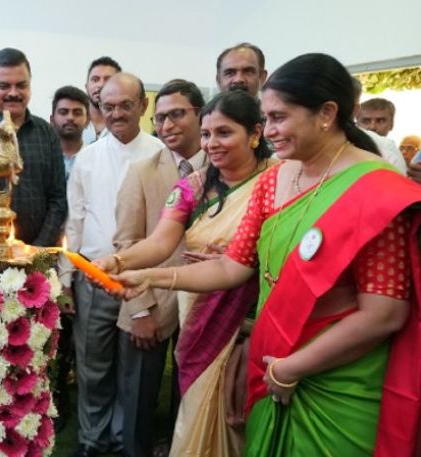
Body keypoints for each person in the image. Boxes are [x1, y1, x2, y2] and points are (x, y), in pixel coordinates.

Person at [111, 53, 421, 457]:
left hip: (340, 380)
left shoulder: (379, 191)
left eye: (279, 118)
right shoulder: (275, 178)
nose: (269, 131)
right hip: (273, 362)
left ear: (327, 113)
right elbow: (230, 266)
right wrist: (150, 277)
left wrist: (294, 368)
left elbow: (384, 313)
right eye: (267, 118)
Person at [99, 89, 274, 457]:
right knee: (197, 405)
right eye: (208, 134)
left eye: (224, 133)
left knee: (244, 414)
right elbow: (160, 243)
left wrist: (241, 252)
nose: (212, 144)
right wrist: (121, 262)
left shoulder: (279, 182)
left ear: (255, 133)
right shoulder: (192, 186)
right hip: (199, 311)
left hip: (254, 318)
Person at [64, 72, 165, 457]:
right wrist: (65, 277)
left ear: (143, 106)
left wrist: (151, 297)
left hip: (143, 279)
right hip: (92, 276)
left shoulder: (161, 155)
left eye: (126, 105)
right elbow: (75, 219)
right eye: (108, 106)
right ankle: (93, 440)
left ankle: (125, 442)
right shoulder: (88, 157)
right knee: (92, 368)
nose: (117, 113)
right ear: (99, 109)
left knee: (134, 371)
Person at [111, 79, 209, 457]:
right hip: (148, 302)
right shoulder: (142, 171)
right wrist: (140, 310)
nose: (167, 124)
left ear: (200, 115)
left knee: (190, 400)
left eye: (177, 114)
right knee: (137, 401)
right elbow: (125, 242)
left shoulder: (225, 168)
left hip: (204, 303)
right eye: (161, 117)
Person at [0, 47, 66, 246]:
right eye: (4, 86)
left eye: (21, 85)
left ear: (30, 86)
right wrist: (4, 250)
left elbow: (57, 199)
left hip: (38, 257)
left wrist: (35, 251)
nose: (13, 93)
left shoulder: (48, 133)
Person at [351, 78, 406, 174]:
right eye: (366, 121)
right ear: (357, 122)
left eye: (380, 121)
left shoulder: (389, 150)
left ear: (391, 124)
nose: (372, 127)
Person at [50, 85, 89, 180]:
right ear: (52, 120)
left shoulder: (97, 158)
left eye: (77, 113)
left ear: (88, 121)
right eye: (63, 112)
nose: (70, 118)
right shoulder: (42, 158)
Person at [83, 56, 121, 144]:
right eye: (95, 79)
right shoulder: (72, 123)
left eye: (108, 80)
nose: (100, 85)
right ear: (86, 87)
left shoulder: (125, 128)